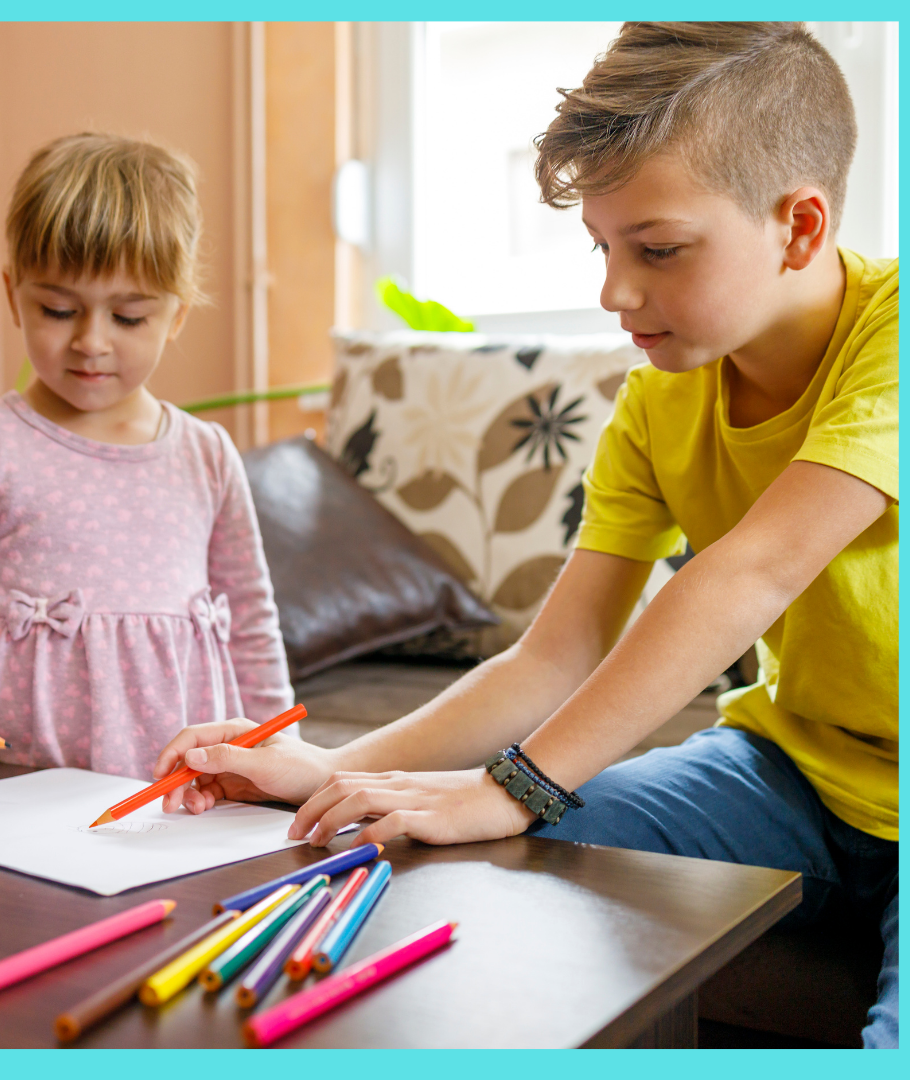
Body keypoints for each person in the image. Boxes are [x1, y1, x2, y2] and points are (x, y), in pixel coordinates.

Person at [153, 24, 898, 1046]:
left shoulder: (892, 339)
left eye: (659, 249)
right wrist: (339, 772)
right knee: (448, 860)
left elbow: (753, 570)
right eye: (603, 246)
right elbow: (560, 648)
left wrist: (522, 782)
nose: (615, 292)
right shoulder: (654, 403)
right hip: (794, 772)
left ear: (800, 228)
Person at [0, 132, 293, 787]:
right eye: (58, 309)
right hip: (10, 793)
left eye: (129, 317)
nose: (91, 342)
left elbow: (251, 625)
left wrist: (282, 755)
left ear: (177, 315)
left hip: (182, 805)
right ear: (14, 293)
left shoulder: (206, 456)